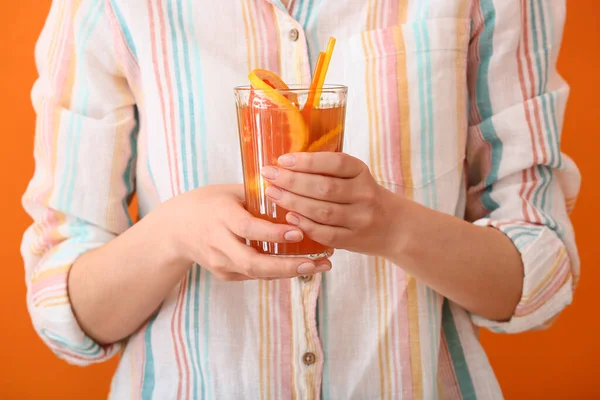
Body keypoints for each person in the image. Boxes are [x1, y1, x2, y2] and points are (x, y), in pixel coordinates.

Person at [21, 0, 580, 398]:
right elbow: (67, 312)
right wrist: (171, 234)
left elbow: (540, 274)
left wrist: (391, 225)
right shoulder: (107, 8)